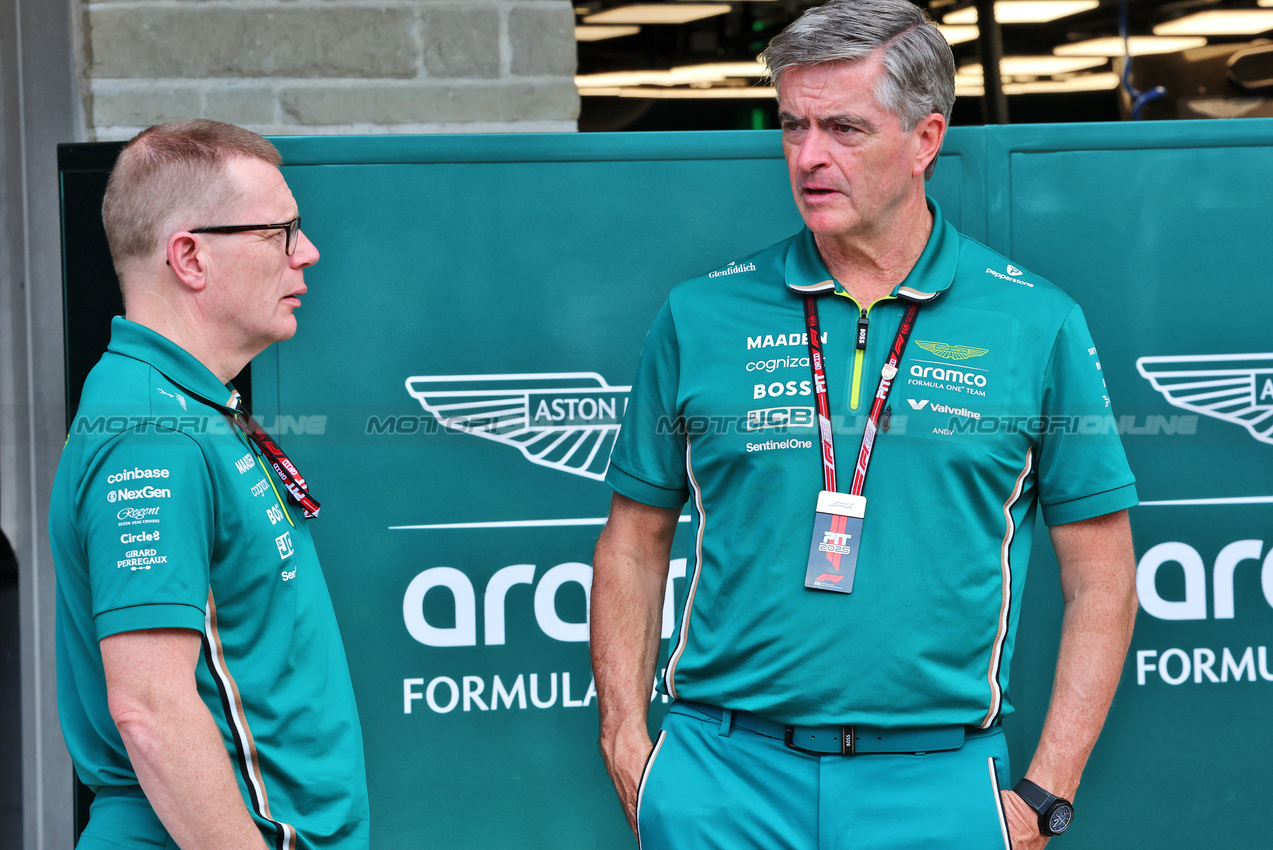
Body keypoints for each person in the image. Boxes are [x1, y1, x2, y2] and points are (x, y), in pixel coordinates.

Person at [590, 2, 1138, 848]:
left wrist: (1043, 793)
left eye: (843, 128)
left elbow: (1101, 571)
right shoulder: (699, 314)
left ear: (925, 139)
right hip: (720, 780)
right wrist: (628, 745)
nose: (809, 157)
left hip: (937, 784)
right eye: (793, 126)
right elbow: (634, 537)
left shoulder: (1036, 323)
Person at [50, 120, 369, 849]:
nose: (307, 252)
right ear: (189, 256)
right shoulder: (151, 436)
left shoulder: (186, 407)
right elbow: (151, 707)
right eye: (279, 232)